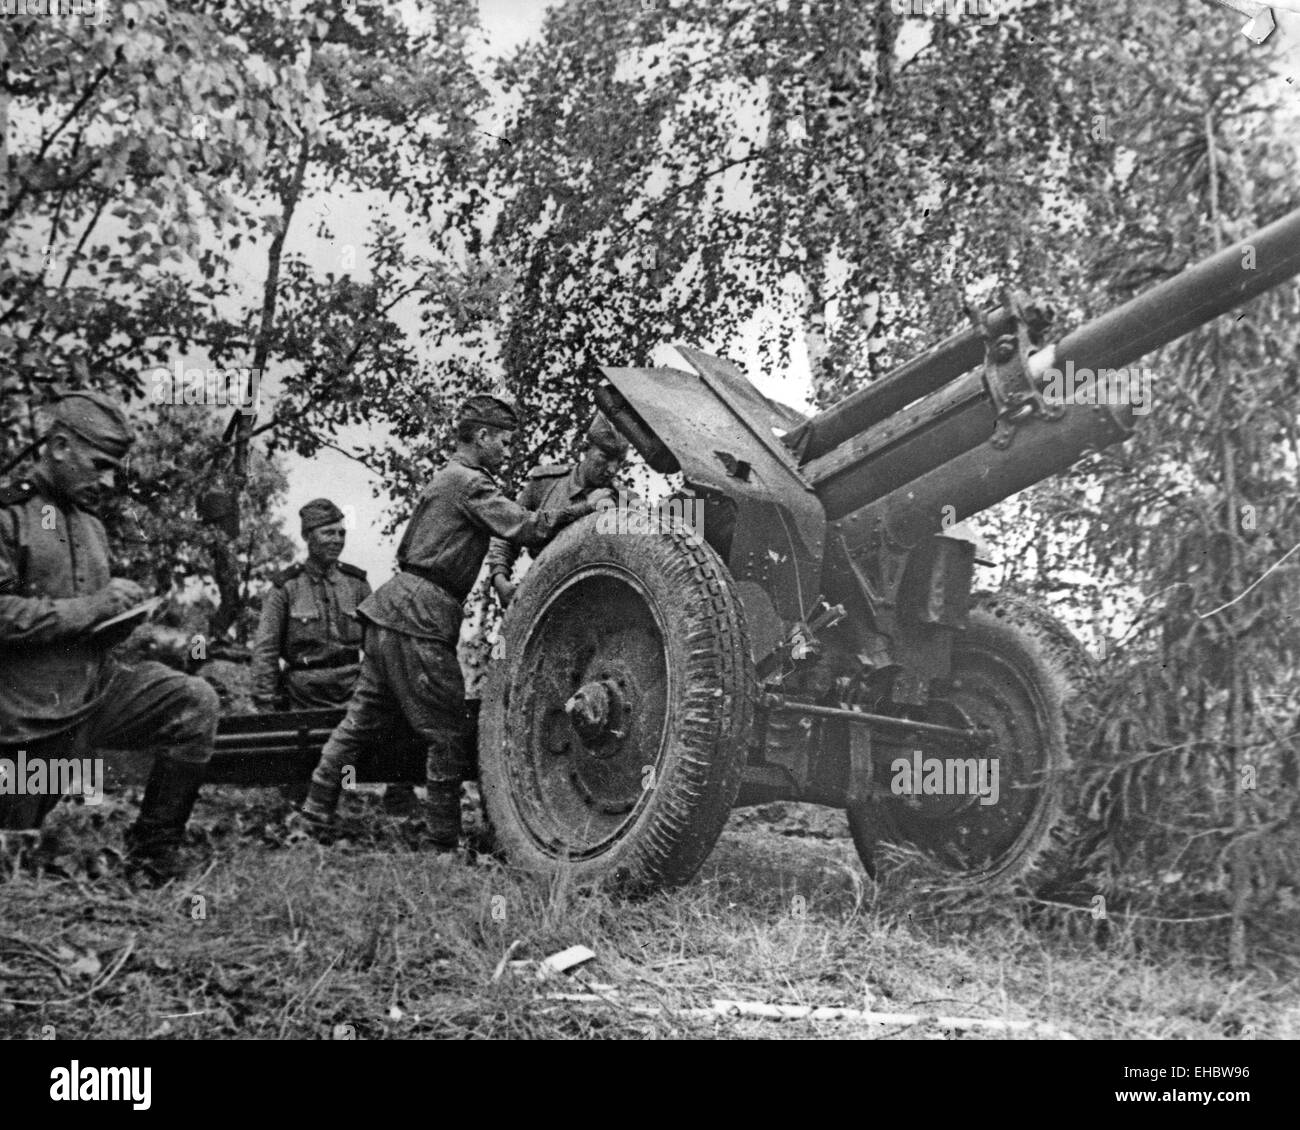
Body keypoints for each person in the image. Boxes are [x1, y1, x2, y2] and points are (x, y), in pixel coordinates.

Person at [297, 395, 612, 848]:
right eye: (503, 441)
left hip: (391, 609)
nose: (507, 450)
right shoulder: (469, 484)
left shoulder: (447, 478)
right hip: (420, 616)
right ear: (481, 436)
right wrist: (585, 509)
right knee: (446, 732)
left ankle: (312, 816)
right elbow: (526, 528)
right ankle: (443, 842)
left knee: (360, 721)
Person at [0, 390, 219, 881]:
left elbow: (89, 627)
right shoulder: (7, 515)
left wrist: (122, 617)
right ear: (58, 446)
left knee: (192, 701)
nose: (106, 480)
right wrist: (92, 607)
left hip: (93, 696)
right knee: (19, 863)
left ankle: (153, 856)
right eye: (98, 464)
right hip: (23, 720)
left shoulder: (92, 525)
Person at [250, 499, 416, 812]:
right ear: (307, 537)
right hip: (304, 692)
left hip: (352, 688)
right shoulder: (285, 588)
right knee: (298, 752)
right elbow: (266, 648)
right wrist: (264, 703)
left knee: (402, 715)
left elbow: (377, 643)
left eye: (341, 533)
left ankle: (400, 797)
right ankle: (304, 799)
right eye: (328, 533)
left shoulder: (356, 583)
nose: (337, 540)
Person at [485, 411, 633, 608]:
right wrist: (499, 578)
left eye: (619, 462)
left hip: (593, 602)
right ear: (585, 448)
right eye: (605, 457)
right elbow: (509, 530)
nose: (612, 469)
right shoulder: (545, 484)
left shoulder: (622, 504)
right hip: (540, 590)